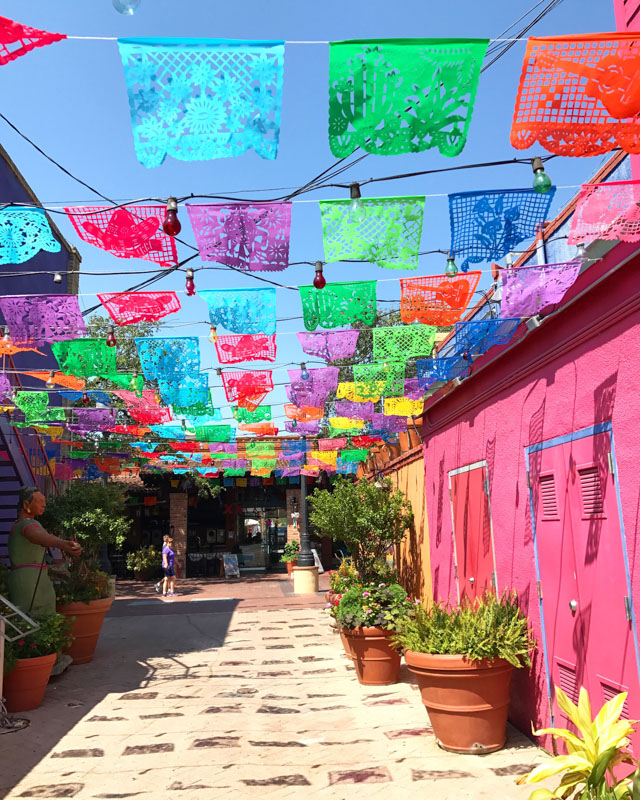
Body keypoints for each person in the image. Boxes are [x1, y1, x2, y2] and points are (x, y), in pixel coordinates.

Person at [8, 486, 82, 618]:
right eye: (39, 501)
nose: (44, 504)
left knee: (43, 613)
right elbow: (39, 537)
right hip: (28, 579)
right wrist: (62, 544)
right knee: (34, 615)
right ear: (26, 504)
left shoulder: (27, 523)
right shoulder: (27, 525)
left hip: (36, 575)